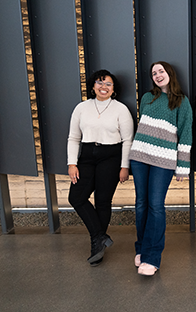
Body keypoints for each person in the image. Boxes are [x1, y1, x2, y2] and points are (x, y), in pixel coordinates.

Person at [129, 61, 192, 276]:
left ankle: (152, 257)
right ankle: (142, 249)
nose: (157, 75)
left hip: (163, 161)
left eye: (161, 71)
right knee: (141, 204)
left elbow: (185, 134)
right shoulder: (147, 98)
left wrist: (183, 165)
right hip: (139, 157)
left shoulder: (182, 102)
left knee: (156, 205)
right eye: (154, 73)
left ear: (169, 73)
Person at [68, 69, 134, 266]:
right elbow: (73, 138)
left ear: (114, 89)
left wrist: (125, 167)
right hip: (87, 156)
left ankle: (97, 247)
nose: (103, 87)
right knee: (76, 197)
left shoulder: (121, 109)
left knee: (103, 201)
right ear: (92, 86)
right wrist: (72, 163)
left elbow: (127, 141)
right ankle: (100, 236)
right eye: (100, 82)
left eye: (108, 84)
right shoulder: (81, 108)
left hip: (111, 157)